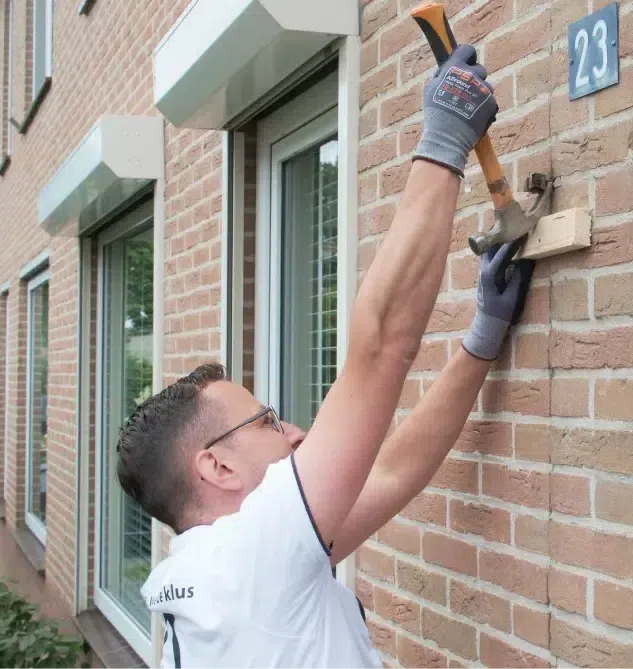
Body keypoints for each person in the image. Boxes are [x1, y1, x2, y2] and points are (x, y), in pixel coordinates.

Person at [115, 44, 534, 669]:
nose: (295, 431)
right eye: (265, 421)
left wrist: (481, 339)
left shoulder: (212, 579)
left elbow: (390, 472)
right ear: (217, 468)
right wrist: (445, 138)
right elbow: (383, 344)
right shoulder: (249, 562)